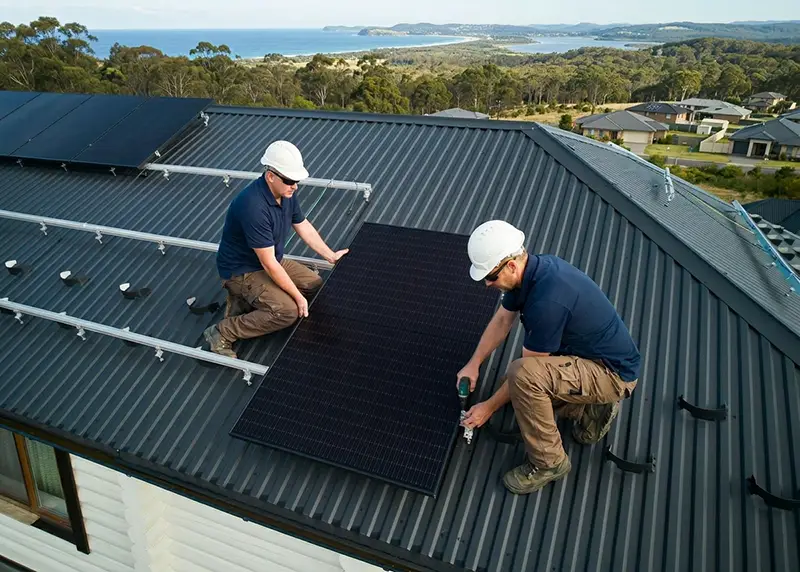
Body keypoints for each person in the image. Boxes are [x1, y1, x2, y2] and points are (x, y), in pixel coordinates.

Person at [458, 220, 641, 495]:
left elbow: (529, 369)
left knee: (522, 377)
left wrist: (487, 408)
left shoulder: (547, 302)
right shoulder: (533, 270)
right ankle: (590, 406)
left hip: (613, 375)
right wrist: (473, 364)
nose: (487, 283)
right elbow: (502, 320)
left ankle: (549, 462)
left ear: (510, 266)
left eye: (491, 277)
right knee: (518, 388)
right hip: (589, 357)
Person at [203, 140, 348, 358]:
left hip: (271, 260)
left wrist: (330, 255)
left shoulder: (286, 193)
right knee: (287, 312)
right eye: (290, 180)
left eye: (296, 180)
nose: (295, 186)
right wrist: (297, 299)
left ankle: (252, 301)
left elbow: (302, 225)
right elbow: (268, 263)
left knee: (314, 284)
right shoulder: (253, 206)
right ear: (270, 175)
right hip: (243, 271)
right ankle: (223, 331)